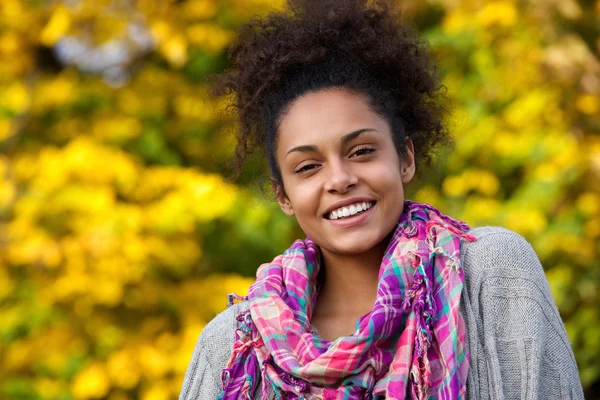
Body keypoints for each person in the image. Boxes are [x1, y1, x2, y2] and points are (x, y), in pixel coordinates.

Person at [178, 0, 584, 398]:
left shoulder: (492, 274)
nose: (339, 179)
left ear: (405, 158)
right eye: (308, 167)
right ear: (283, 195)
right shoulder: (232, 344)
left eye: (361, 151)